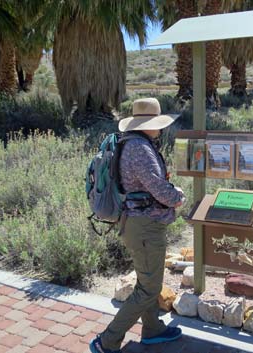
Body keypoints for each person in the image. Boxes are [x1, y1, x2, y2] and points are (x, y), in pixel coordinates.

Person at [90, 98, 185, 353]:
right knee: (148, 287)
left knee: (148, 281)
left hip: (138, 223)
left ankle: (153, 329)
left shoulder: (132, 143)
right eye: (157, 123)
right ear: (147, 124)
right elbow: (157, 187)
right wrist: (178, 197)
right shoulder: (139, 149)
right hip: (145, 226)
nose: (160, 128)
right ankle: (106, 341)